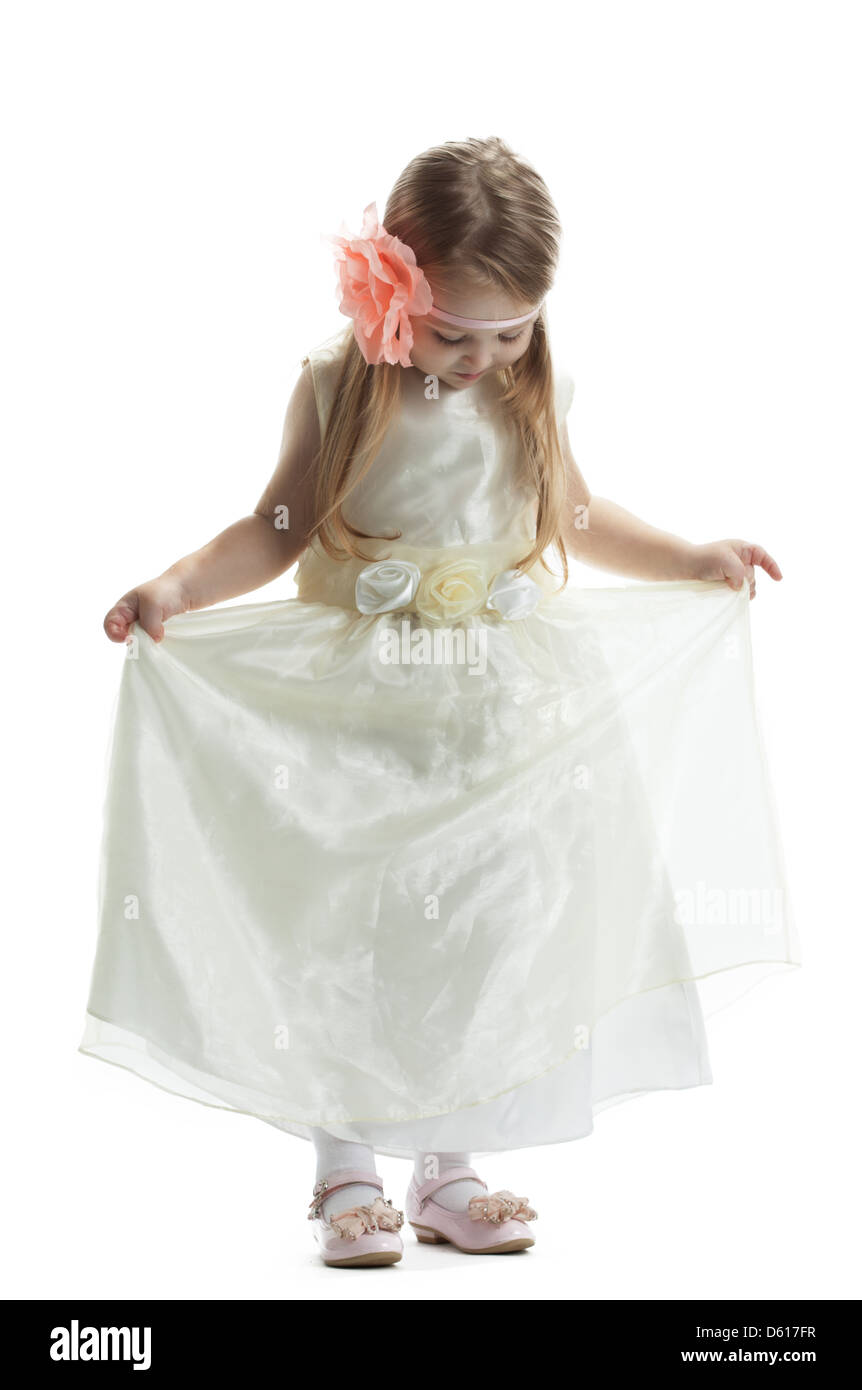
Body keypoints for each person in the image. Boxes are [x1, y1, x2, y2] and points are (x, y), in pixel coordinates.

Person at [81, 136, 799, 1268]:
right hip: (362, 705)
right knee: (351, 924)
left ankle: (448, 1166)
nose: (481, 358)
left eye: (509, 332)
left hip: (497, 714)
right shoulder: (338, 385)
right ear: (393, 294)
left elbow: (570, 517)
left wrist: (687, 555)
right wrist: (176, 585)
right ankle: (345, 1167)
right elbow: (275, 527)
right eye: (452, 333)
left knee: (485, 927)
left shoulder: (534, 384)